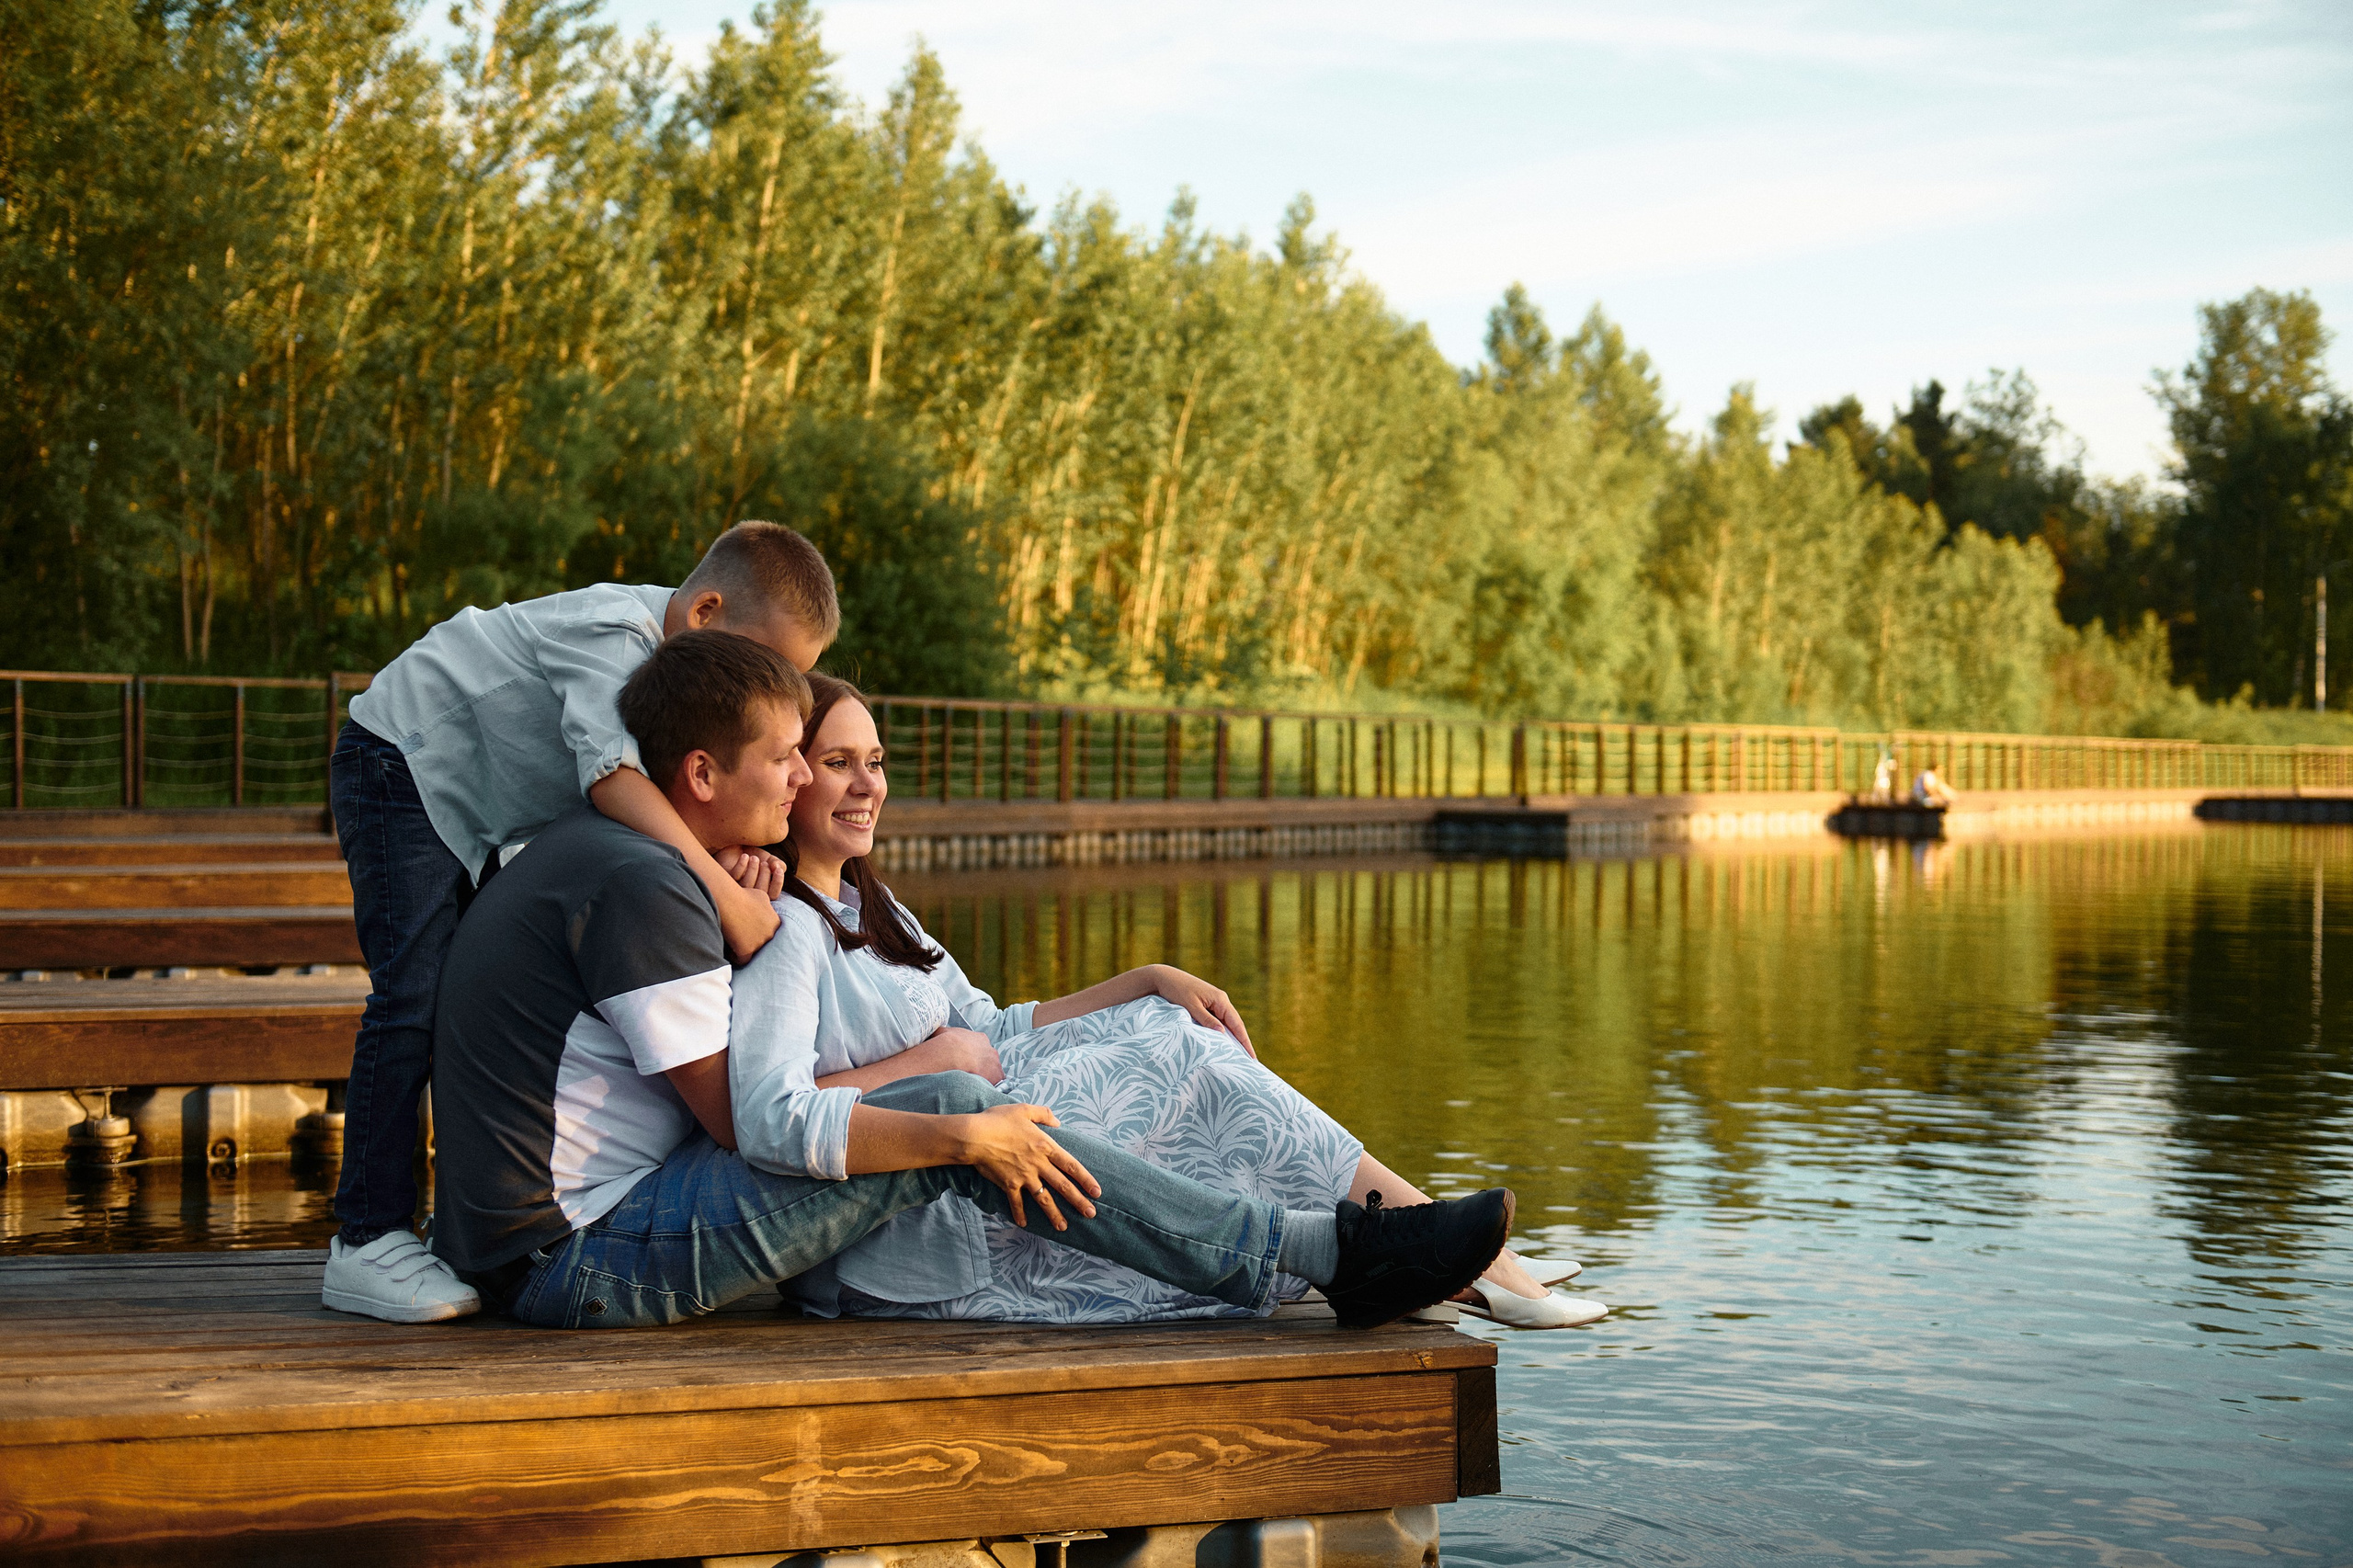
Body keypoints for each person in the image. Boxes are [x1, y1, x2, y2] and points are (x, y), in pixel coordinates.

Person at [425, 631, 1516, 1334]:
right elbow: (750, 1120)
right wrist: (953, 1122)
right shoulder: (656, 887)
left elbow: (767, 1102)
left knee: (1002, 1096)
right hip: (573, 1262)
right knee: (962, 1113)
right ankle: (1331, 1250)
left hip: (543, 1234)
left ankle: (1335, 1243)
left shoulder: (636, 860)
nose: (811, 776)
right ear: (702, 775)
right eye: (791, 756)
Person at [726, 674, 1607, 1331]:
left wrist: (1145, 978)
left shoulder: (873, 909)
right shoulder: (781, 929)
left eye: (874, 762)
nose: (867, 784)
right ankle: (1457, 1261)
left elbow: (991, 1025)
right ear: (790, 775)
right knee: (1177, 1061)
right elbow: (774, 1114)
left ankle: (1447, 1257)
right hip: (921, 1221)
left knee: (1164, 1026)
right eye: (837, 762)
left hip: (978, 1145)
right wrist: (937, 1063)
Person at [321, 522, 833, 1326]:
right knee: (412, 995)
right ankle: (365, 1235)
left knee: (471, 994)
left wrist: (732, 853)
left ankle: (457, 1221)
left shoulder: (664, 654)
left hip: (483, 812)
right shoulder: (615, 633)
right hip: (403, 760)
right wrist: (726, 893)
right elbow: (614, 778)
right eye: (763, 663)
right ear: (703, 613)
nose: (759, 685)